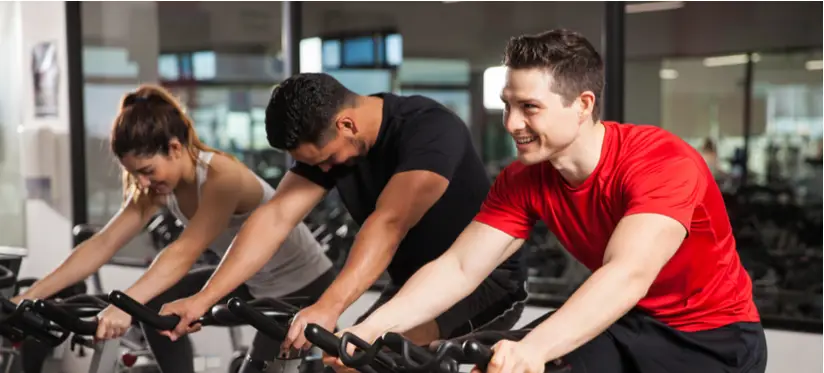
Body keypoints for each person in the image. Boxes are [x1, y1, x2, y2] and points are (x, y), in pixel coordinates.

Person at [332, 29, 767, 373]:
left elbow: (627, 274)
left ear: (582, 104)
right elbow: (459, 268)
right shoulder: (523, 178)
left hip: (712, 338)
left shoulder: (660, 161)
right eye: (507, 105)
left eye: (529, 107)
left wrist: (535, 347)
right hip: (624, 322)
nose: (511, 123)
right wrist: (370, 328)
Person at [158, 73, 528, 352]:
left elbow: (390, 222)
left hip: (486, 283)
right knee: (346, 359)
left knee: (371, 359)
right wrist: (201, 300)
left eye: (327, 161)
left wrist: (328, 307)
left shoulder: (429, 129)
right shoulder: (333, 144)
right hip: (414, 284)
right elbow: (275, 218)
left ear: (346, 124)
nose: (323, 171)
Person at [12, 84, 336, 373]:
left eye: (147, 170)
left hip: (302, 287)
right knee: (154, 304)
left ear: (175, 148)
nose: (142, 182)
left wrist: (124, 305)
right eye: (135, 173)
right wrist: (27, 297)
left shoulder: (221, 177)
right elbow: (104, 243)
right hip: (252, 282)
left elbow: (185, 250)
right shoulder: (157, 187)